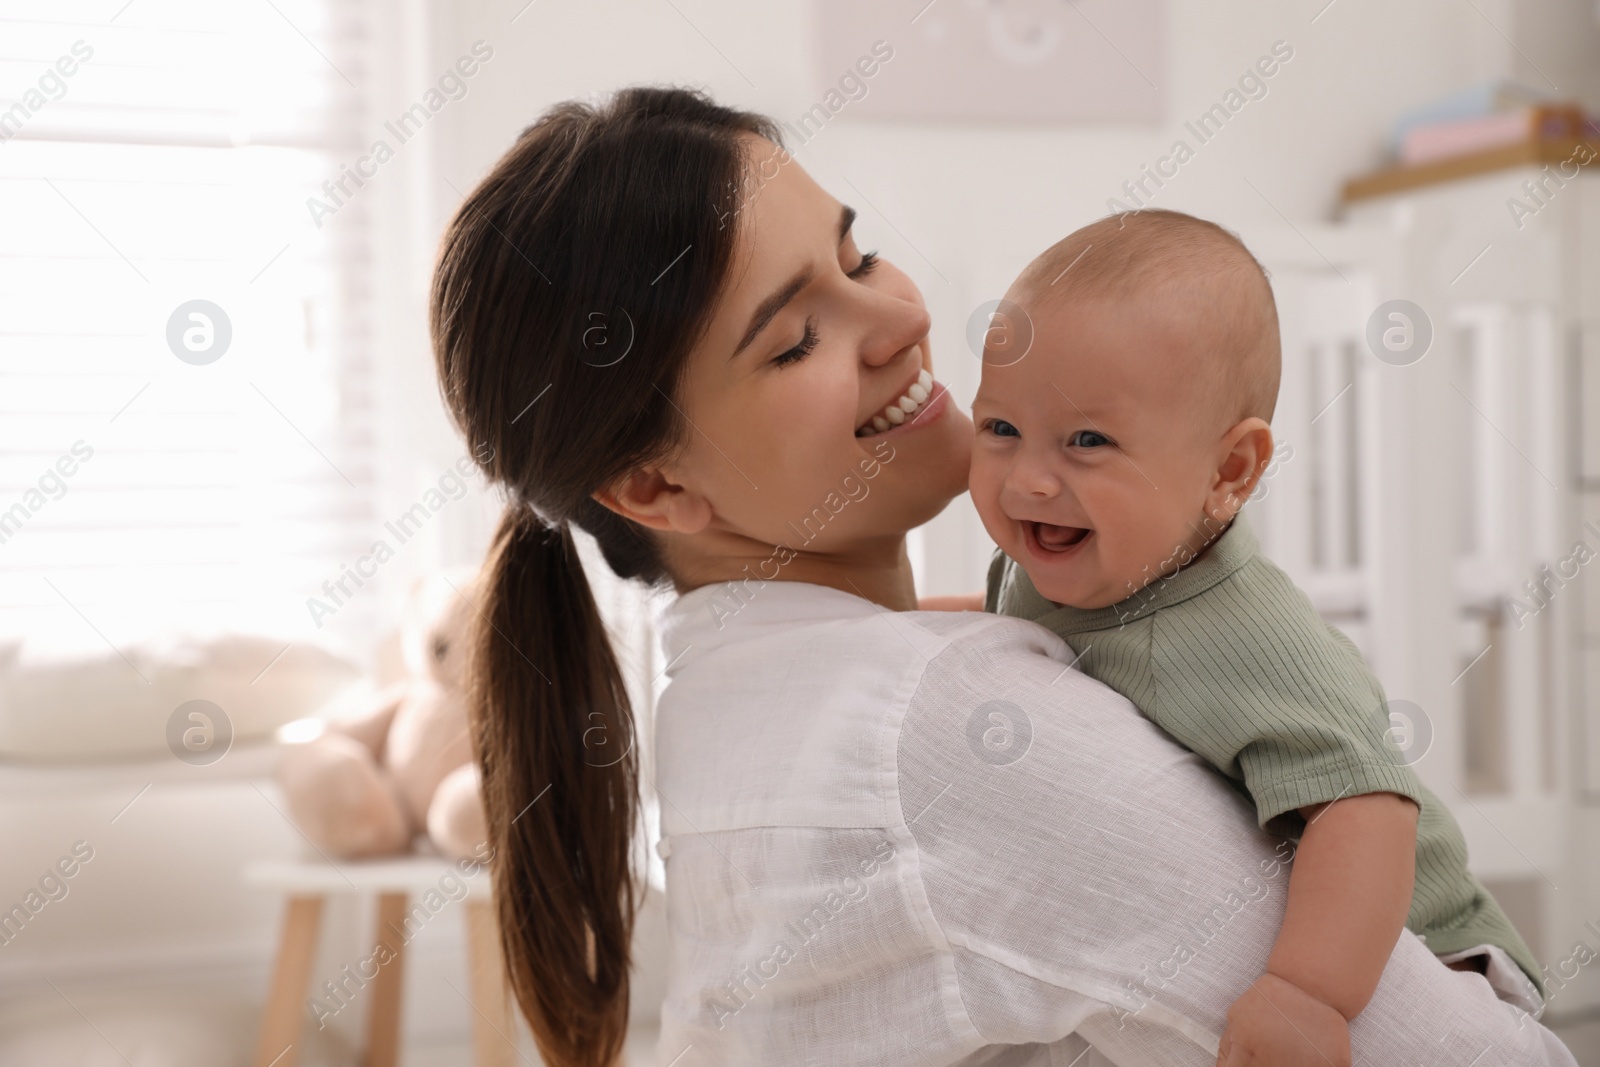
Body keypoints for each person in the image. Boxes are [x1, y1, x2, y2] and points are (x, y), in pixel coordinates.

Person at [427, 86, 1577, 1067]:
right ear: (654, 489)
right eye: (792, 339)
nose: (897, 317)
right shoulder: (958, 730)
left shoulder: (729, 702)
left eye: (856, 251)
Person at [965, 209, 1542, 1062]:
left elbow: (1366, 809)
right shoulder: (1048, 562)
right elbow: (995, 633)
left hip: (1427, 946)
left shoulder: (1245, 635)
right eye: (1001, 428)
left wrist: (1308, 994)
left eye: (1088, 441)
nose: (1029, 478)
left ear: (1229, 471)